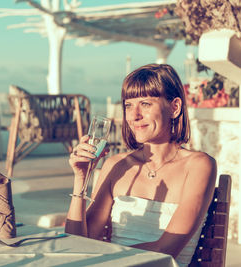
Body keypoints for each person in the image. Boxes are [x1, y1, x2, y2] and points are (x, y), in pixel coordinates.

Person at [65, 63, 217, 266]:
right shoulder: (117, 165)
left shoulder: (198, 166)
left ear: (175, 107)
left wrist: (101, 258)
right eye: (128, 105)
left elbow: (166, 250)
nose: (134, 115)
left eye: (145, 104)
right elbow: (78, 245)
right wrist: (81, 178)